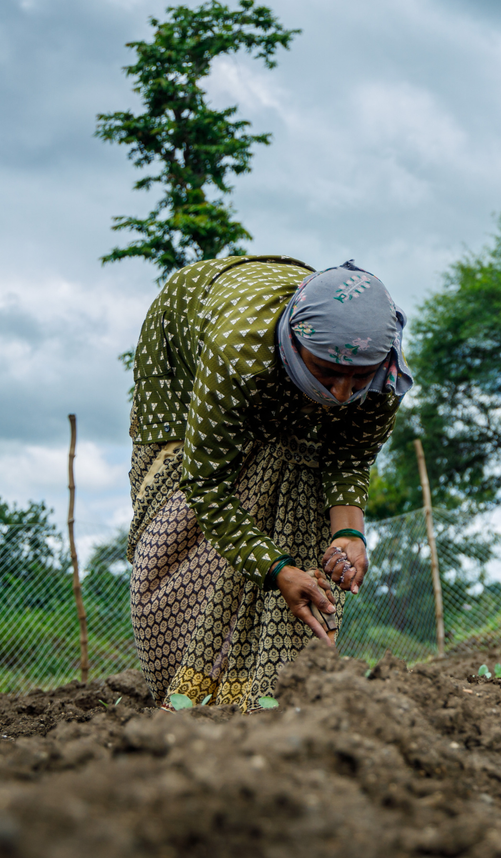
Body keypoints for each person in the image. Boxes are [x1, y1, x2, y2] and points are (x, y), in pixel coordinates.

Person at [125, 255, 411, 709]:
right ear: (295, 345)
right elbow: (207, 486)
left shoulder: (381, 375)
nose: (342, 393)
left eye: (358, 376)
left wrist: (349, 533)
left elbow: (350, 456)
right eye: (328, 371)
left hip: (263, 365)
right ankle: (193, 685)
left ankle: (275, 691)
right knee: (184, 514)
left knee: (299, 477)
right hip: (180, 342)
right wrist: (276, 569)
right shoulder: (237, 355)